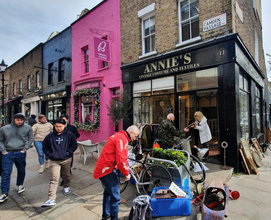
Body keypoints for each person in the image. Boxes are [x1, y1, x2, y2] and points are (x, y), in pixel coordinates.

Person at [93, 125, 140, 220]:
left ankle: (106, 214)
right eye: (135, 136)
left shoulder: (119, 136)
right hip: (107, 170)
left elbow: (117, 156)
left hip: (104, 168)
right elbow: (121, 159)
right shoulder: (122, 139)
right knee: (116, 197)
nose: (135, 138)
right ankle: (114, 218)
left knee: (108, 192)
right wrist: (127, 174)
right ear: (131, 132)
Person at [41, 118, 77, 207]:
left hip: (66, 159)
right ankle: (51, 198)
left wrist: (68, 152)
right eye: (56, 126)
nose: (58, 128)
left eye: (60, 126)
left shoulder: (70, 135)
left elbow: (74, 145)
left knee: (66, 175)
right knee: (54, 178)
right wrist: (49, 154)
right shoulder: (49, 136)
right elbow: (45, 146)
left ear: (64, 125)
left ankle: (66, 186)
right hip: (54, 160)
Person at [0, 113, 34, 204]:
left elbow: (31, 139)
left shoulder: (28, 128)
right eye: (18, 119)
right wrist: (3, 151)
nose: (19, 121)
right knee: (6, 173)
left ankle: (20, 185)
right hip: (8, 153)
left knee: (21, 170)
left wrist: (25, 149)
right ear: (14, 119)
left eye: (21, 120)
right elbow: (0, 140)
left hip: (20, 152)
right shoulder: (4, 129)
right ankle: (4, 192)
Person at [59, 114, 80, 186]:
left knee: (69, 161)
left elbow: (77, 135)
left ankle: (68, 169)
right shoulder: (58, 128)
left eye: (64, 119)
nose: (63, 121)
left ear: (67, 120)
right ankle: (63, 179)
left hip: (69, 147)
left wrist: (72, 139)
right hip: (60, 148)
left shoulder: (72, 127)